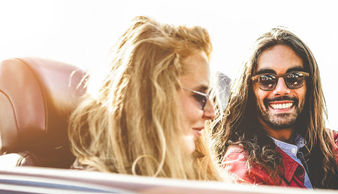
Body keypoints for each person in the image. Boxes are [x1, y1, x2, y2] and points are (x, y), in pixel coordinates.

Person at [212, 27, 338, 190]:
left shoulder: (323, 143)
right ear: (250, 90)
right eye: (266, 80)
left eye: (294, 77)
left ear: (308, 86)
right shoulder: (246, 167)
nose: (281, 89)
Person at [69, 16, 223, 181]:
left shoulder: (187, 176)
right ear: (152, 99)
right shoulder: (97, 188)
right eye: (199, 96)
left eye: (211, 96)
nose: (212, 112)